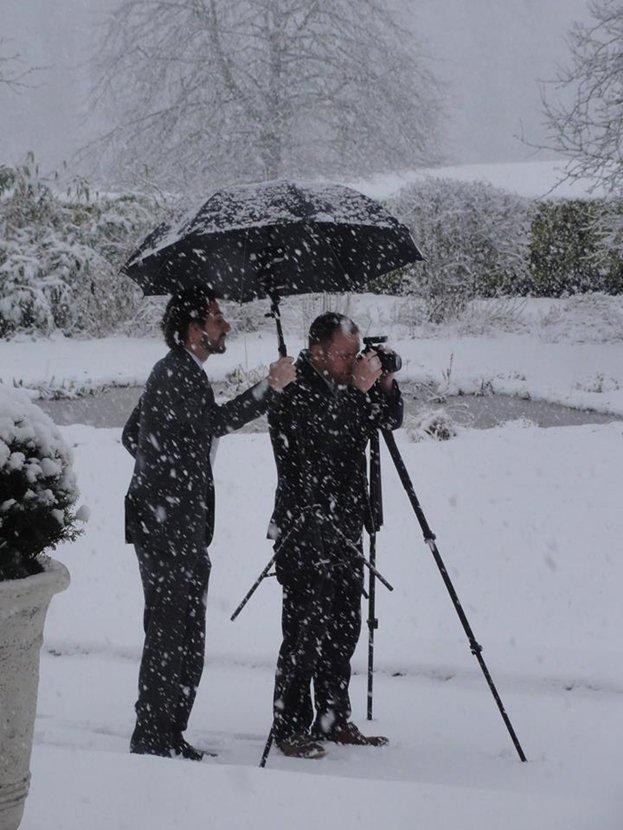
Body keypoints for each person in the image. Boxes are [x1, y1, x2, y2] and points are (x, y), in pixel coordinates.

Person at [122, 286, 295, 760]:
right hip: (168, 527)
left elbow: (132, 435)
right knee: (172, 633)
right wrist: (271, 386)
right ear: (194, 328)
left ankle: (166, 733)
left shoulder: (177, 371)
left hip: (169, 522)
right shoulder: (178, 373)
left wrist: (165, 466)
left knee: (180, 631)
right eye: (218, 318)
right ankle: (155, 738)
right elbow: (216, 422)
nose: (226, 326)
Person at [267, 312, 403, 759]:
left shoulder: (345, 386)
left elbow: (388, 419)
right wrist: (359, 392)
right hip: (304, 527)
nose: (351, 362)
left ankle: (333, 717)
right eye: (345, 355)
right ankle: (288, 727)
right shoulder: (292, 383)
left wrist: (381, 385)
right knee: (304, 630)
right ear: (318, 350)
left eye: (355, 354)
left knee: (343, 626)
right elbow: (323, 443)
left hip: (345, 524)